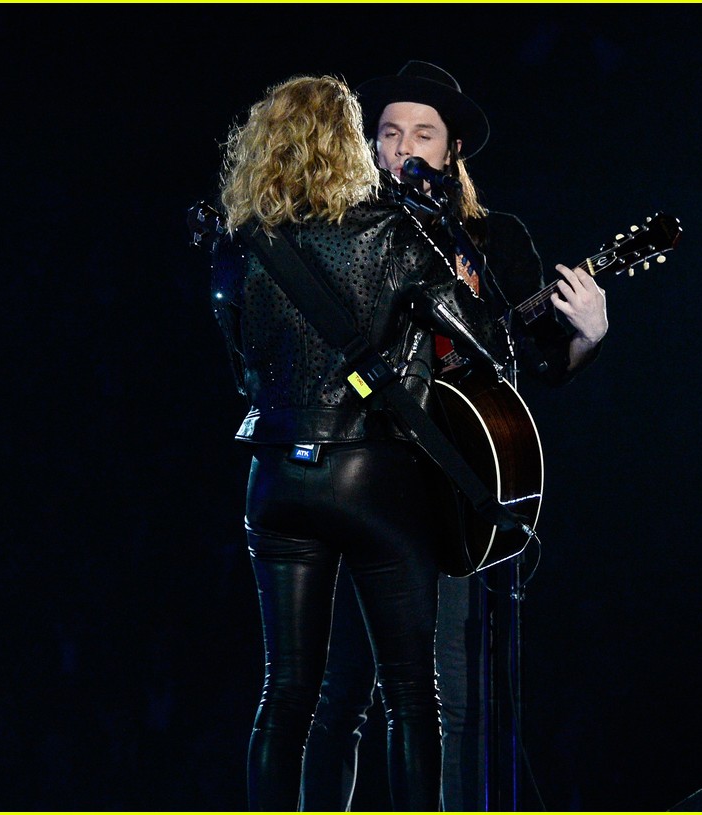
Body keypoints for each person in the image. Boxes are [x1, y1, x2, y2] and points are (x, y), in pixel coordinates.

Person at [299, 61, 610, 812]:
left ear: (451, 151)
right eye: (389, 132)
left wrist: (586, 338)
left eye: (422, 133)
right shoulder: (350, 236)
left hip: (453, 484)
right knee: (340, 690)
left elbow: (530, 367)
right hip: (363, 475)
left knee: (453, 693)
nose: (403, 144)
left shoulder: (494, 241)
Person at [208, 74, 510, 812]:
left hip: (276, 479)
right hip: (370, 478)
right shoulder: (391, 232)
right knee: (411, 693)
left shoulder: (241, 246)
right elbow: (482, 347)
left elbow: (245, 370)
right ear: (351, 143)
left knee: (286, 694)